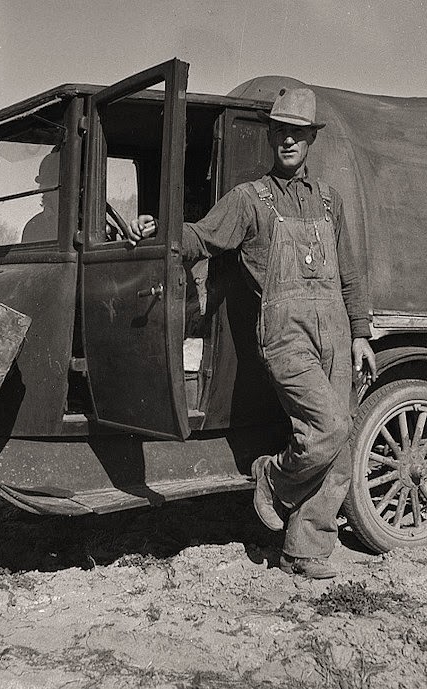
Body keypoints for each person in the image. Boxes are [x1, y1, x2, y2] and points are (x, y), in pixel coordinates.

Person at [127, 87, 377, 579]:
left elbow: (350, 274)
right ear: (270, 136)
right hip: (286, 334)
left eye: (297, 133)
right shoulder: (249, 200)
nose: (288, 140)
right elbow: (200, 236)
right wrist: (158, 233)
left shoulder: (330, 201)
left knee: (340, 447)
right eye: (280, 131)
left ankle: (305, 550)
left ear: (310, 140)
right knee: (327, 429)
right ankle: (272, 475)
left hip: (337, 329)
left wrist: (361, 334)